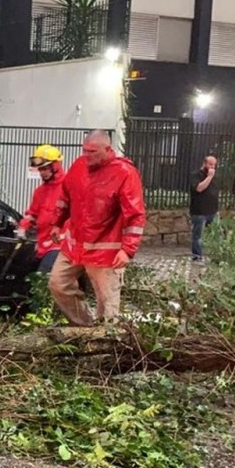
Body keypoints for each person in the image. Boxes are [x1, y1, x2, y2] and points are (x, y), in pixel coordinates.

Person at [48, 130, 146, 326]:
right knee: (58, 283)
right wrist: (57, 224)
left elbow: (134, 215)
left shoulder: (124, 173)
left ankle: (107, 343)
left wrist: (127, 250)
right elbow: (66, 198)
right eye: (85, 150)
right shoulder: (79, 166)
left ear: (108, 149)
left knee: (107, 302)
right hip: (75, 244)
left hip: (105, 250)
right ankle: (85, 326)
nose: (87, 155)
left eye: (92, 151)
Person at [16, 144, 66, 273]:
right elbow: (32, 214)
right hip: (42, 245)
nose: (41, 173)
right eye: (40, 170)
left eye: (44, 169)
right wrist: (23, 227)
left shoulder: (69, 187)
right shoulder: (40, 191)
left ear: (55, 166)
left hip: (61, 245)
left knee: (43, 277)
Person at [189, 154, 219, 262]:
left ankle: (216, 256)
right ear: (204, 163)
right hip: (199, 212)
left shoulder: (215, 177)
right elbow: (199, 188)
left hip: (212, 211)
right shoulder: (196, 175)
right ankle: (197, 256)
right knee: (198, 236)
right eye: (210, 164)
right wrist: (209, 177)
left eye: (214, 165)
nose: (212, 167)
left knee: (216, 235)